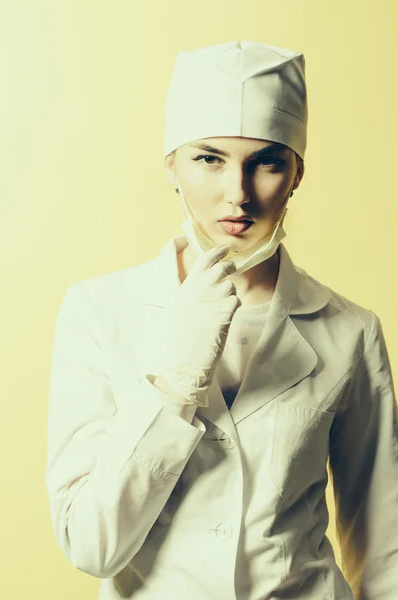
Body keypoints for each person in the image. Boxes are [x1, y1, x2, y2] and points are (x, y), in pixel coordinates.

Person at [45, 40, 398, 600]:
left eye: (266, 161)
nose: (237, 194)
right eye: (209, 158)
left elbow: (384, 551)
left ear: (297, 172)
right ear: (171, 166)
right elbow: (91, 546)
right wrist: (176, 379)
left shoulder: (350, 329)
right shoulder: (99, 311)